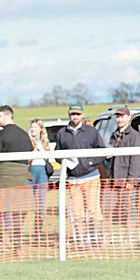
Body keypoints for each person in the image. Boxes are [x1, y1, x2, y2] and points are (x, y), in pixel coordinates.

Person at [55, 103, 107, 248]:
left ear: (82, 115)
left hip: (91, 177)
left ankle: (96, 239)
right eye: (73, 114)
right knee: (77, 212)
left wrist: (90, 163)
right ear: (69, 115)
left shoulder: (91, 131)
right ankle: (80, 240)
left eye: (78, 114)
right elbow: (57, 154)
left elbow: (102, 151)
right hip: (73, 179)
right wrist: (65, 162)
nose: (75, 116)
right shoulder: (62, 133)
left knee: (93, 210)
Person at [0, 105, 33, 256]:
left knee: (0, 215)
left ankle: (1, 245)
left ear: (8, 116)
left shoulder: (0, 135)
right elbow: (30, 157)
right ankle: (17, 246)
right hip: (21, 179)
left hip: (3, 180)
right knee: (18, 216)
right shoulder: (24, 134)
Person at [108, 106, 140, 247]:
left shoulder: (135, 136)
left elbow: (136, 160)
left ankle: (130, 239)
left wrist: (131, 180)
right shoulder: (114, 134)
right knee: (108, 210)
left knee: (129, 211)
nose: (119, 119)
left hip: (126, 180)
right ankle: (109, 239)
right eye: (118, 116)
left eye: (122, 116)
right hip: (112, 179)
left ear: (128, 117)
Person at [28, 119, 53, 245]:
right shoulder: (27, 142)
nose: (33, 129)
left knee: (40, 205)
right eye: (32, 127)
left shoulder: (45, 143)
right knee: (27, 204)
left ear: (41, 129)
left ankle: (38, 232)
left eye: (36, 127)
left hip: (42, 174)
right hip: (30, 173)